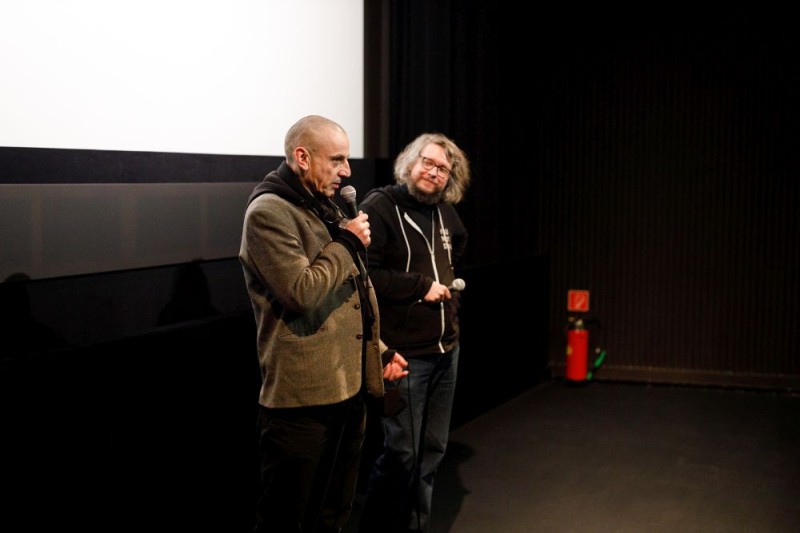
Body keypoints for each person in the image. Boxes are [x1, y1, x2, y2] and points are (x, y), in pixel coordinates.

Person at [239, 115, 409, 533]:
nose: (347, 171)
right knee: (288, 519)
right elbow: (301, 291)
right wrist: (347, 242)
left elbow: (350, 296)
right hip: (302, 403)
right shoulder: (268, 213)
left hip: (346, 389)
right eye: (336, 159)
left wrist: (380, 350)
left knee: (335, 512)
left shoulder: (323, 208)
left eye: (346, 159)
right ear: (302, 157)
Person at [357, 132, 471, 532]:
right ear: (410, 161)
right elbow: (364, 275)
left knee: (432, 453)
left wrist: (447, 285)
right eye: (428, 162)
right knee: (401, 454)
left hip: (445, 350)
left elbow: (458, 245)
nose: (434, 172)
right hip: (405, 356)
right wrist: (420, 285)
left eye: (443, 169)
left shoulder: (444, 212)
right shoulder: (381, 205)